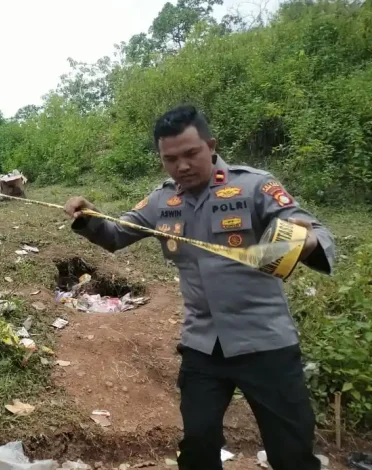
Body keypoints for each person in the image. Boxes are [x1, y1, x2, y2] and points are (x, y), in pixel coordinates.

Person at [64, 105, 335, 470]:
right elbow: (114, 234)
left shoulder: (255, 186)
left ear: (211, 145)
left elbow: (312, 229)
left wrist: (309, 241)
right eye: (171, 159)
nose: (183, 166)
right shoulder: (162, 200)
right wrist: (90, 217)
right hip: (203, 345)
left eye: (192, 153)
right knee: (198, 446)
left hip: (266, 342)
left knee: (291, 452)